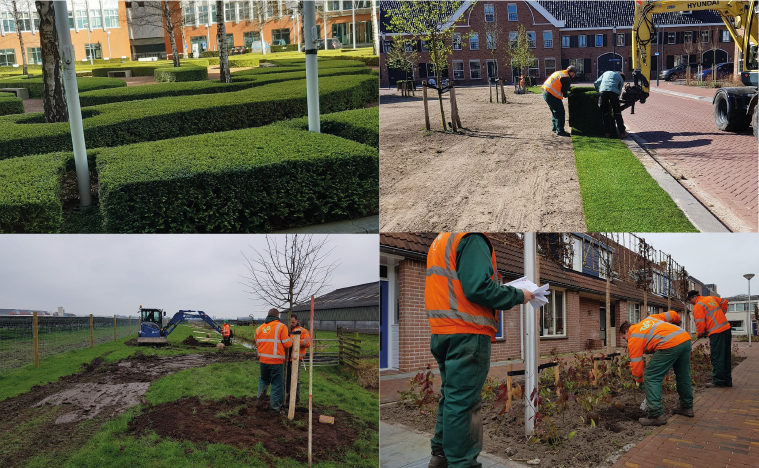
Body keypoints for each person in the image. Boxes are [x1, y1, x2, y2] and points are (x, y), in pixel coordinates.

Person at [425, 233, 536, 468]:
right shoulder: (472, 237)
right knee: (464, 402)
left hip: (443, 331)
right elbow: (478, 287)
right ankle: (462, 463)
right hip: (468, 333)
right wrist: (518, 295)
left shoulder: (441, 240)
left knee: (452, 397)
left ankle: (441, 456)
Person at [619, 314, 693, 426]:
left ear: (626, 331)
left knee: (651, 376)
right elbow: (673, 314)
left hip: (669, 344)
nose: (626, 341)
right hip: (684, 338)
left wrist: (639, 380)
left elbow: (636, 364)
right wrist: (677, 322)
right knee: (683, 375)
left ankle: (655, 415)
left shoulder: (634, 337)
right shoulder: (651, 319)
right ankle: (686, 407)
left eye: (624, 338)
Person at [688, 291, 731, 387]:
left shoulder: (698, 305)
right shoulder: (711, 298)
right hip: (726, 329)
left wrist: (699, 334)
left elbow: (700, 323)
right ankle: (727, 381)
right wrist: (722, 315)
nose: (691, 302)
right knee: (726, 357)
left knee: (717, 357)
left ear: (694, 297)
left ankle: (718, 381)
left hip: (717, 333)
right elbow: (724, 302)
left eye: (690, 300)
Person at [254, 308, 292, 413]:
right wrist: (291, 338)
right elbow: (287, 344)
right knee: (277, 384)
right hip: (276, 362)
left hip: (263, 361)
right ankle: (275, 408)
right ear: (278, 316)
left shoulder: (259, 328)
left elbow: (257, 344)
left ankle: (259, 402)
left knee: (264, 380)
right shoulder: (281, 326)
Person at [542, 65, 577, 137]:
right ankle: (560, 131)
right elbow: (564, 92)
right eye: (574, 73)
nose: (574, 75)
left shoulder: (561, 73)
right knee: (560, 112)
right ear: (572, 72)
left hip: (546, 92)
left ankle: (555, 128)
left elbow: (561, 84)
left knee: (554, 111)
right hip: (552, 95)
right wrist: (569, 95)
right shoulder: (567, 78)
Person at [285, 315, 312, 405]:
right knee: (287, 378)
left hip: (296, 359)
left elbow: (308, 343)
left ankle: (295, 398)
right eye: (290, 322)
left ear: (297, 321)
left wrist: (296, 340)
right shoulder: (287, 330)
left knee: (295, 379)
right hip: (287, 359)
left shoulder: (302, 331)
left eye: (293, 322)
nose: (291, 324)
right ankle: (288, 396)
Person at [594, 71, 628, 139]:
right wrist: (616, 100)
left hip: (603, 91)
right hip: (614, 93)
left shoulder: (606, 73)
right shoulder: (620, 78)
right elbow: (619, 90)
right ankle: (622, 133)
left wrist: (598, 92)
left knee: (605, 113)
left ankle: (607, 133)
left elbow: (596, 83)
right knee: (617, 113)